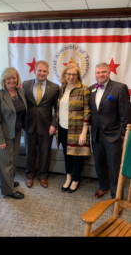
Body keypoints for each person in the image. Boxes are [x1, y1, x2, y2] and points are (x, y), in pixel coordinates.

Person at [89, 62, 130, 207]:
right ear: (95, 74)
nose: (100, 75)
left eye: (103, 72)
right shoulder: (91, 89)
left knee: (114, 168)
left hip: (113, 135)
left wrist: (121, 134)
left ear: (109, 72)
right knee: (99, 165)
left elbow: (126, 114)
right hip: (96, 135)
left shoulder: (120, 88)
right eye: (98, 72)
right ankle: (103, 186)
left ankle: (116, 198)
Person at [23, 60, 59, 188]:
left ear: (48, 72)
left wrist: (54, 124)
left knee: (45, 152)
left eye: (44, 71)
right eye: (39, 70)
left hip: (46, 126)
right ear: (35, 71)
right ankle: (30, 175)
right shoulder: (25, 84)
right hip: (29, 125)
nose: (42, 73)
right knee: (30, 152)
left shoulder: (54, 87)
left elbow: (57, 108)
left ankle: (43, 175)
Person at [0, 67, 27, 199]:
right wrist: (0, 140)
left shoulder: (21, 92)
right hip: (4, 135)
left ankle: (8, 183)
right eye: (9, 78)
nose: (12, 80)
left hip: (17, 132)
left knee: (13, 160)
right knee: (6, 162)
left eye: (14, 77)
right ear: (4, 79)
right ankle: (8, 190)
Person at [56, 63, 91, 193]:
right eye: (68, 74)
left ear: (78, 76)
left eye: (74, 74)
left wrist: (84, 132)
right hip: (63, 127)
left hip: (78, 129)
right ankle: (68, 177)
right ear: (65, 75)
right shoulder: (62, 88)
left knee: (77, 155)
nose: (71, 76)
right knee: (67, 153)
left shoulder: (84, 89)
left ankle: (76, 180)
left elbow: (87, 111)